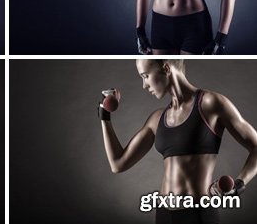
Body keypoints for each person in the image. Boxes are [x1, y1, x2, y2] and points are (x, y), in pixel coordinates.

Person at [99, 59, 257, 223]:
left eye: (146, 76)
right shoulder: (157, 118)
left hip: (198, 215)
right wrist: (104, 116)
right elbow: (118, 164)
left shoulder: (210, 103)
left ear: (166, 68)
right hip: (164, 215)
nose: (144, 85)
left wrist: (239, 184)